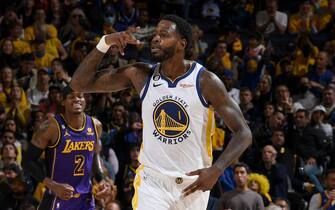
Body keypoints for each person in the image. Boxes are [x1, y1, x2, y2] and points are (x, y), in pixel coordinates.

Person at [70, 14, 252, 210]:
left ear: (182, 44)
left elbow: (244, 133)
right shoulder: (141, 74)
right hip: (152, 181)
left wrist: (216, 170)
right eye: (155, 34)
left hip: (192, 183)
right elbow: (79, 83)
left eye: (164, 35)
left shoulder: (205, 81)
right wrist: (105, 42)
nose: (155, 38)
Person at [22, 86, 109, 209]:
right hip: (57, 197)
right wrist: (53, 185)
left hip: (85, 199)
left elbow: (94, 155)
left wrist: (101, 180)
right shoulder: (51, 127)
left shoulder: (96, 125)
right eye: (71, 97)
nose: (76, 99)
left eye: (80, 96)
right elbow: (27, 161)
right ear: (63, 101)